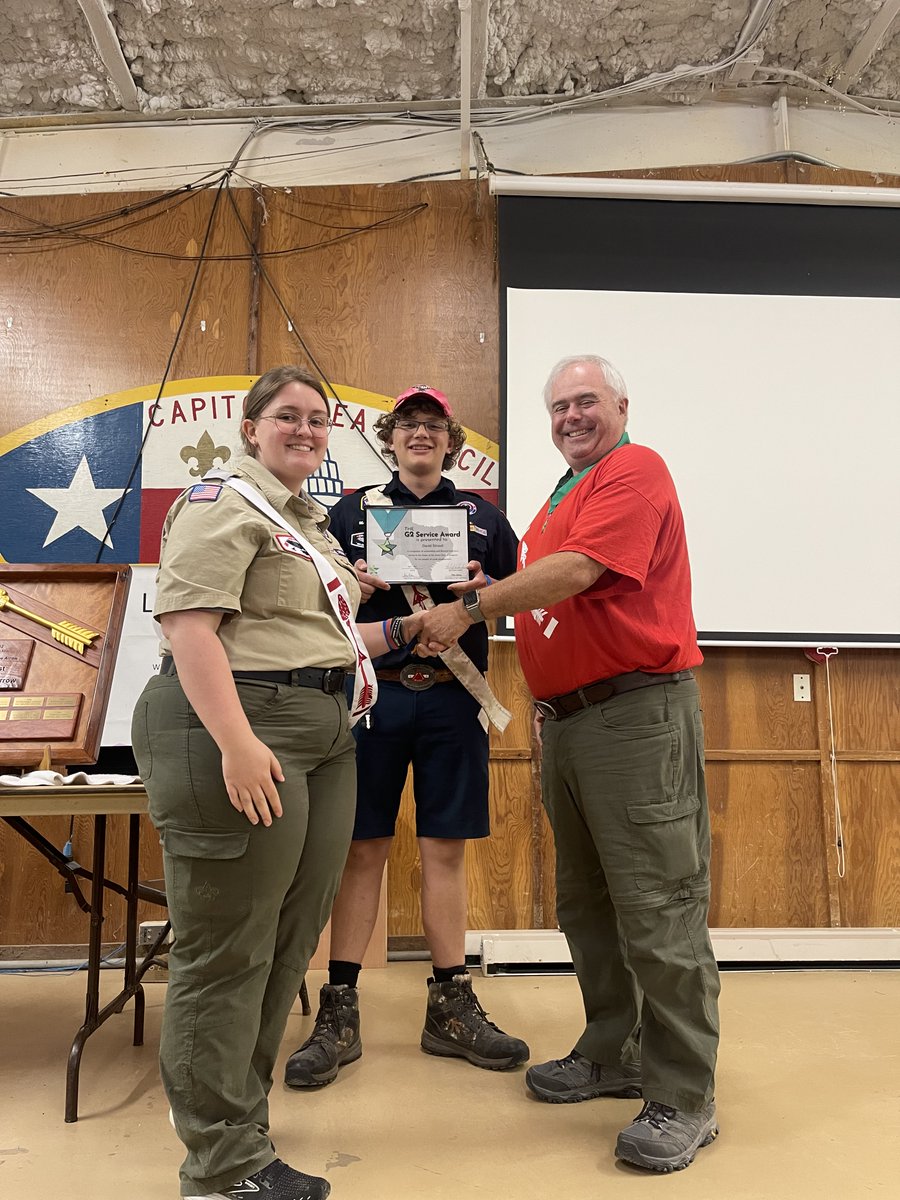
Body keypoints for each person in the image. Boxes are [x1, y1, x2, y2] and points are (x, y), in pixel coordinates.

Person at [414, 356, 721, 1174]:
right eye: (558, 406)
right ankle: (613, 1051)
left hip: (636, 714)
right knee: (588, 907)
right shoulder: (559, 494)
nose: (570, 416)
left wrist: (471, 604)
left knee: (659, 906)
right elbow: (551, 588)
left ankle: (684, 1093)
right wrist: (499, 583)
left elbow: (581, 573)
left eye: (586, 401)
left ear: (622, 404)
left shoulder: (634, 469)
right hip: (573, 724)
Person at [131, 365, 422, 1200]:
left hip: (325, 731)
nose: (305, 429)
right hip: (238, 723)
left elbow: (318, 636)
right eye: (288, 416)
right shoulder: (221, 499)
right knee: (229, 947)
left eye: (319, 421)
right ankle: (219, 1164)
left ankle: (240, 1119)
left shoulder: (306, 524)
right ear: (252, 427)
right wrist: (235, 741)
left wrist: (406, 625)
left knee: (289, 940)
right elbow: (189, 625)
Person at [283, 384, 529, 1090]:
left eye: (434, 426)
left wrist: (484, 589)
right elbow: (312, 603)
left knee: (443, 852)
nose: (421, 435)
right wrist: (351, 586)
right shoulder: (350, 512)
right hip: (376, 699)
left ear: (451, 441)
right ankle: (339, 1011)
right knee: (361, 852)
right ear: (390, 437)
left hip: (454, 701)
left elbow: (512, 600)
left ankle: (450, 1005)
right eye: (409, 425)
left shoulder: (484, 517)